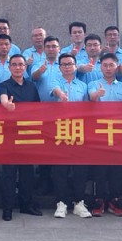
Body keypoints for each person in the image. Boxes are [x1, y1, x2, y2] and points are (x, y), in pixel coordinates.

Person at [0, 54, 42, 221]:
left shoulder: (31, 86)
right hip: (9, 134)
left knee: (27, 173)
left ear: (25, 67)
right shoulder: (4, 85)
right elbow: (3, 99)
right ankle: (7, 208)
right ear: (9, 67)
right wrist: (7, 105)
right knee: (9, 173)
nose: (18, 67)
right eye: (14, 64)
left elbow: (38, 109)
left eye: (21, 65)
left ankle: (26, 205)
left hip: (28, 135)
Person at [87, 53, 122, 217]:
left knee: (117, 169)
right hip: (98, 132)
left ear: (116, 66)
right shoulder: (93, 84)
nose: (108, 68)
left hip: (118, 133)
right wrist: (97, 95)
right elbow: (91, 98)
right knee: (99, 168)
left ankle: (114, 201)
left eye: (111, 65)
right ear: (100, 67)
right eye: (105, 65)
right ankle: (99, 201)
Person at [50, 53, 92, 218]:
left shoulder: (83, 85)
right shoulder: (54, 81)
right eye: (64, 64)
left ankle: (79, 202)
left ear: (75, 67)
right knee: (60, 168)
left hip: (78, 130)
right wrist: (61, 95)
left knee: (80, 168)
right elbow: (55, 91)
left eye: (70, 64)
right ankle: (61, 203)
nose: (67, 67)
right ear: (59, 68)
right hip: (60, 129)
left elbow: (88, 107)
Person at [31, 36, 62, 102]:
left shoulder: (65, 64)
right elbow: (33, 78)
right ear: (44, 49)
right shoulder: (38, 64)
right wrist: (40, 71)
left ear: (59, 49)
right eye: (48, 47)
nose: (51, 49)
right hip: (42, 103)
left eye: (54, 46)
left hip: (61, 103)